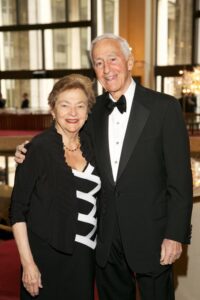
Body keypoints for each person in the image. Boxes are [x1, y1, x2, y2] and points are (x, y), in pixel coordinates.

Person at [14, 33, 193, 300]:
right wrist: (27, 149)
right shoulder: (92, 113)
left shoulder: (164, 108)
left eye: (112, 59)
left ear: (129, 61)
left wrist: (175, 234)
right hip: (105, 243)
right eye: (98, 63)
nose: (106, 69)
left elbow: (180, 180)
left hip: (152, 238)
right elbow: (64, 137)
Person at [10, 74, 101, 300]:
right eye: (65, 105)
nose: (73, 113)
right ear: (52, 110)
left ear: (88, 111)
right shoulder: (37, 149)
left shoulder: (93, 145)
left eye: (80, 106)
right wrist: (28, 264)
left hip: (84, 258)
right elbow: (17, 211)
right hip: (44, 258)